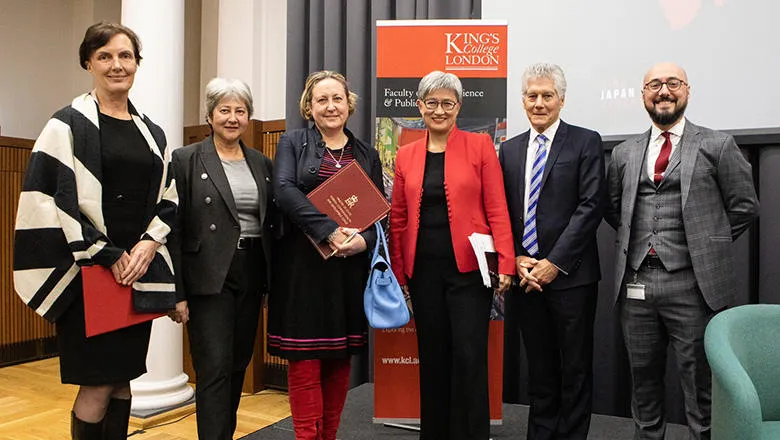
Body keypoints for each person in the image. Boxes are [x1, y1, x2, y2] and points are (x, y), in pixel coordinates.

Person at [12, 22, 177, 439]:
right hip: (86, 275)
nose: (116, 65)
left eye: (125, 56)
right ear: (88, 62)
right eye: (104, 56)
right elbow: (49, 199)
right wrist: (108, 254)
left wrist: (147, 244)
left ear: (137, 64)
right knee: (98, 381)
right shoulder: (64, 125)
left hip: (135, 272)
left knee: (123, 379)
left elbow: (169, 196)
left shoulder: (152, 133)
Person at [605, 62, 759, 439]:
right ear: (642, 94)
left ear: (687, 91)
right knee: (643, 389)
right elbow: (614, 209)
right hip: (637, 286)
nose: (663, 91)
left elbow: (744, 206)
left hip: (695, 288)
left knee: (701, 389)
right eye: (654, 84)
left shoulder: (716, 145)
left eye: (673, 83)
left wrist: (707, 245)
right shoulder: (624, 152)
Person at [388, 70, 514, 440]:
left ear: (458, 106)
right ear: (419, 106)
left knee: (470, 357)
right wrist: (399, 273)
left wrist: (505, 261)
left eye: (447, 103)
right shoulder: (406, 154)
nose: (439, 110)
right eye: (431, 103)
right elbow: (398, 219)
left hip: (470, 273)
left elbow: (497, 208)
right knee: (433, 358)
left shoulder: (480, 147)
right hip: (423, 272)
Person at [266, 70, 383, 440]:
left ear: (349, 103)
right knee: (304, 364)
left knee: (338, 361)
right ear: (309, 107)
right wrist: (329, 231)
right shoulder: (292, 142)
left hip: (348, 272)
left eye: (337, 99)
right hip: (302, 271)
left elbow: (379, 212)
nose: (330, 106)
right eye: (321, 100)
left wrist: (363, 240)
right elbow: (283, 191)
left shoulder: (367, 153)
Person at [499, 63, 605, 440]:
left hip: (571, 277)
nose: (539, 103)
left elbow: (591, 205)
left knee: (574, 368)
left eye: (547, 95)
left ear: (561, 99)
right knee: (540, 370)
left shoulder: (585, 141)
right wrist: (514, 258)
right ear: (523, 101)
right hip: (525, 278)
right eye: (532, 96)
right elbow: (501, 210)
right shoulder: (508, 150)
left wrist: (553, 263)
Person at [168, 78, 273, 439]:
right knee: (213, 367)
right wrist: (177, 293)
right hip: (207, 276)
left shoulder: (262, 163)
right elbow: (175, 230)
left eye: (240, 111)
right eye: (224, 110)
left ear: (249, 117)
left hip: (251, 271)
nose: (232, 118)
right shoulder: (186, 159)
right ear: (210, 116)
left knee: (238, 365)